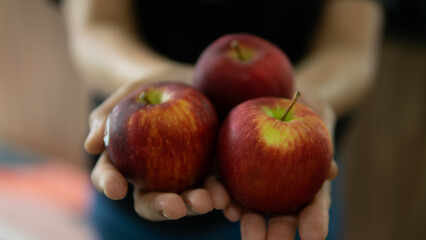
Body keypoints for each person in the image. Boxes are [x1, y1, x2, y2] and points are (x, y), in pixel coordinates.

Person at [62, 0, 383, 239]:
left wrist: (306, 94)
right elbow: (97, 24)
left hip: (294, 189)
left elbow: (350, 45)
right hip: (133, 191)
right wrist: (160, 81)